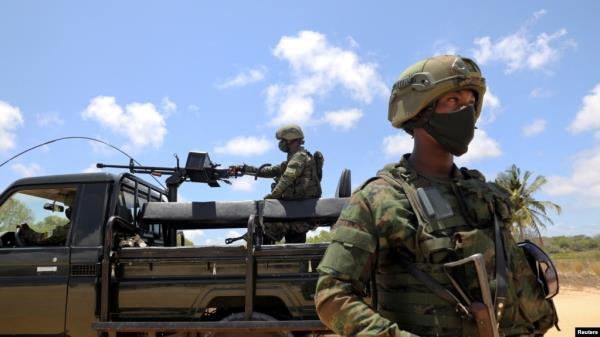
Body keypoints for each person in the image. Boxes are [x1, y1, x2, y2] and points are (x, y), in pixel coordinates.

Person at [315, 55, 557, 337]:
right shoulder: (380, 199)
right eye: (453, 101)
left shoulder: (483, 194)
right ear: (419, 110)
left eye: (470, 103)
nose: (465, 112)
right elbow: (332, 296)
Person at [231, 124, 323, 243]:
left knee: (265, 229)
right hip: (296, 208)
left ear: (290, 139)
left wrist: (271, 198)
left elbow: (287, 178)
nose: (281, 143)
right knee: (291, 243)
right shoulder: (295, 157)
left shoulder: (299, 157)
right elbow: (271, 171)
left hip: (298, 209)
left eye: (282, 140)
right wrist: (244, 169)